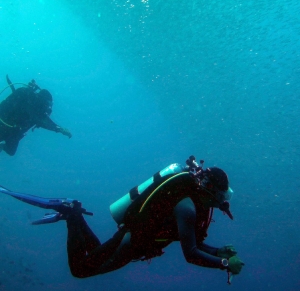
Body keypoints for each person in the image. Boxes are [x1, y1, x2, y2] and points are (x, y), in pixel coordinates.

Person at [0, 156, 245, 284]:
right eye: (221, 195)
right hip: (132, 243)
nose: (222, 201)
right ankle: (71, 213)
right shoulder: (188, 209)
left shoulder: (190, 204)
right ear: (210, 188)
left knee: (95, 254)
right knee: (80, 270)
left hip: (133, 240)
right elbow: (190, 253)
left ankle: (72, 213)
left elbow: (191, 242)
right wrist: (223, 263)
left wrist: (219, 251)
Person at [0, 75, 72, 156]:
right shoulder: (30, 102)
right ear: (43, 100)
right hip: (5, 126)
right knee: (10, 150)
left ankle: (2, 146)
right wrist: (59, 129)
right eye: (47, 104)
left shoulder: (32, 103)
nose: (47, 108)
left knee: (11, 151)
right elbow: (39, 120)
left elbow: (40, 119)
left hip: (11, 129)